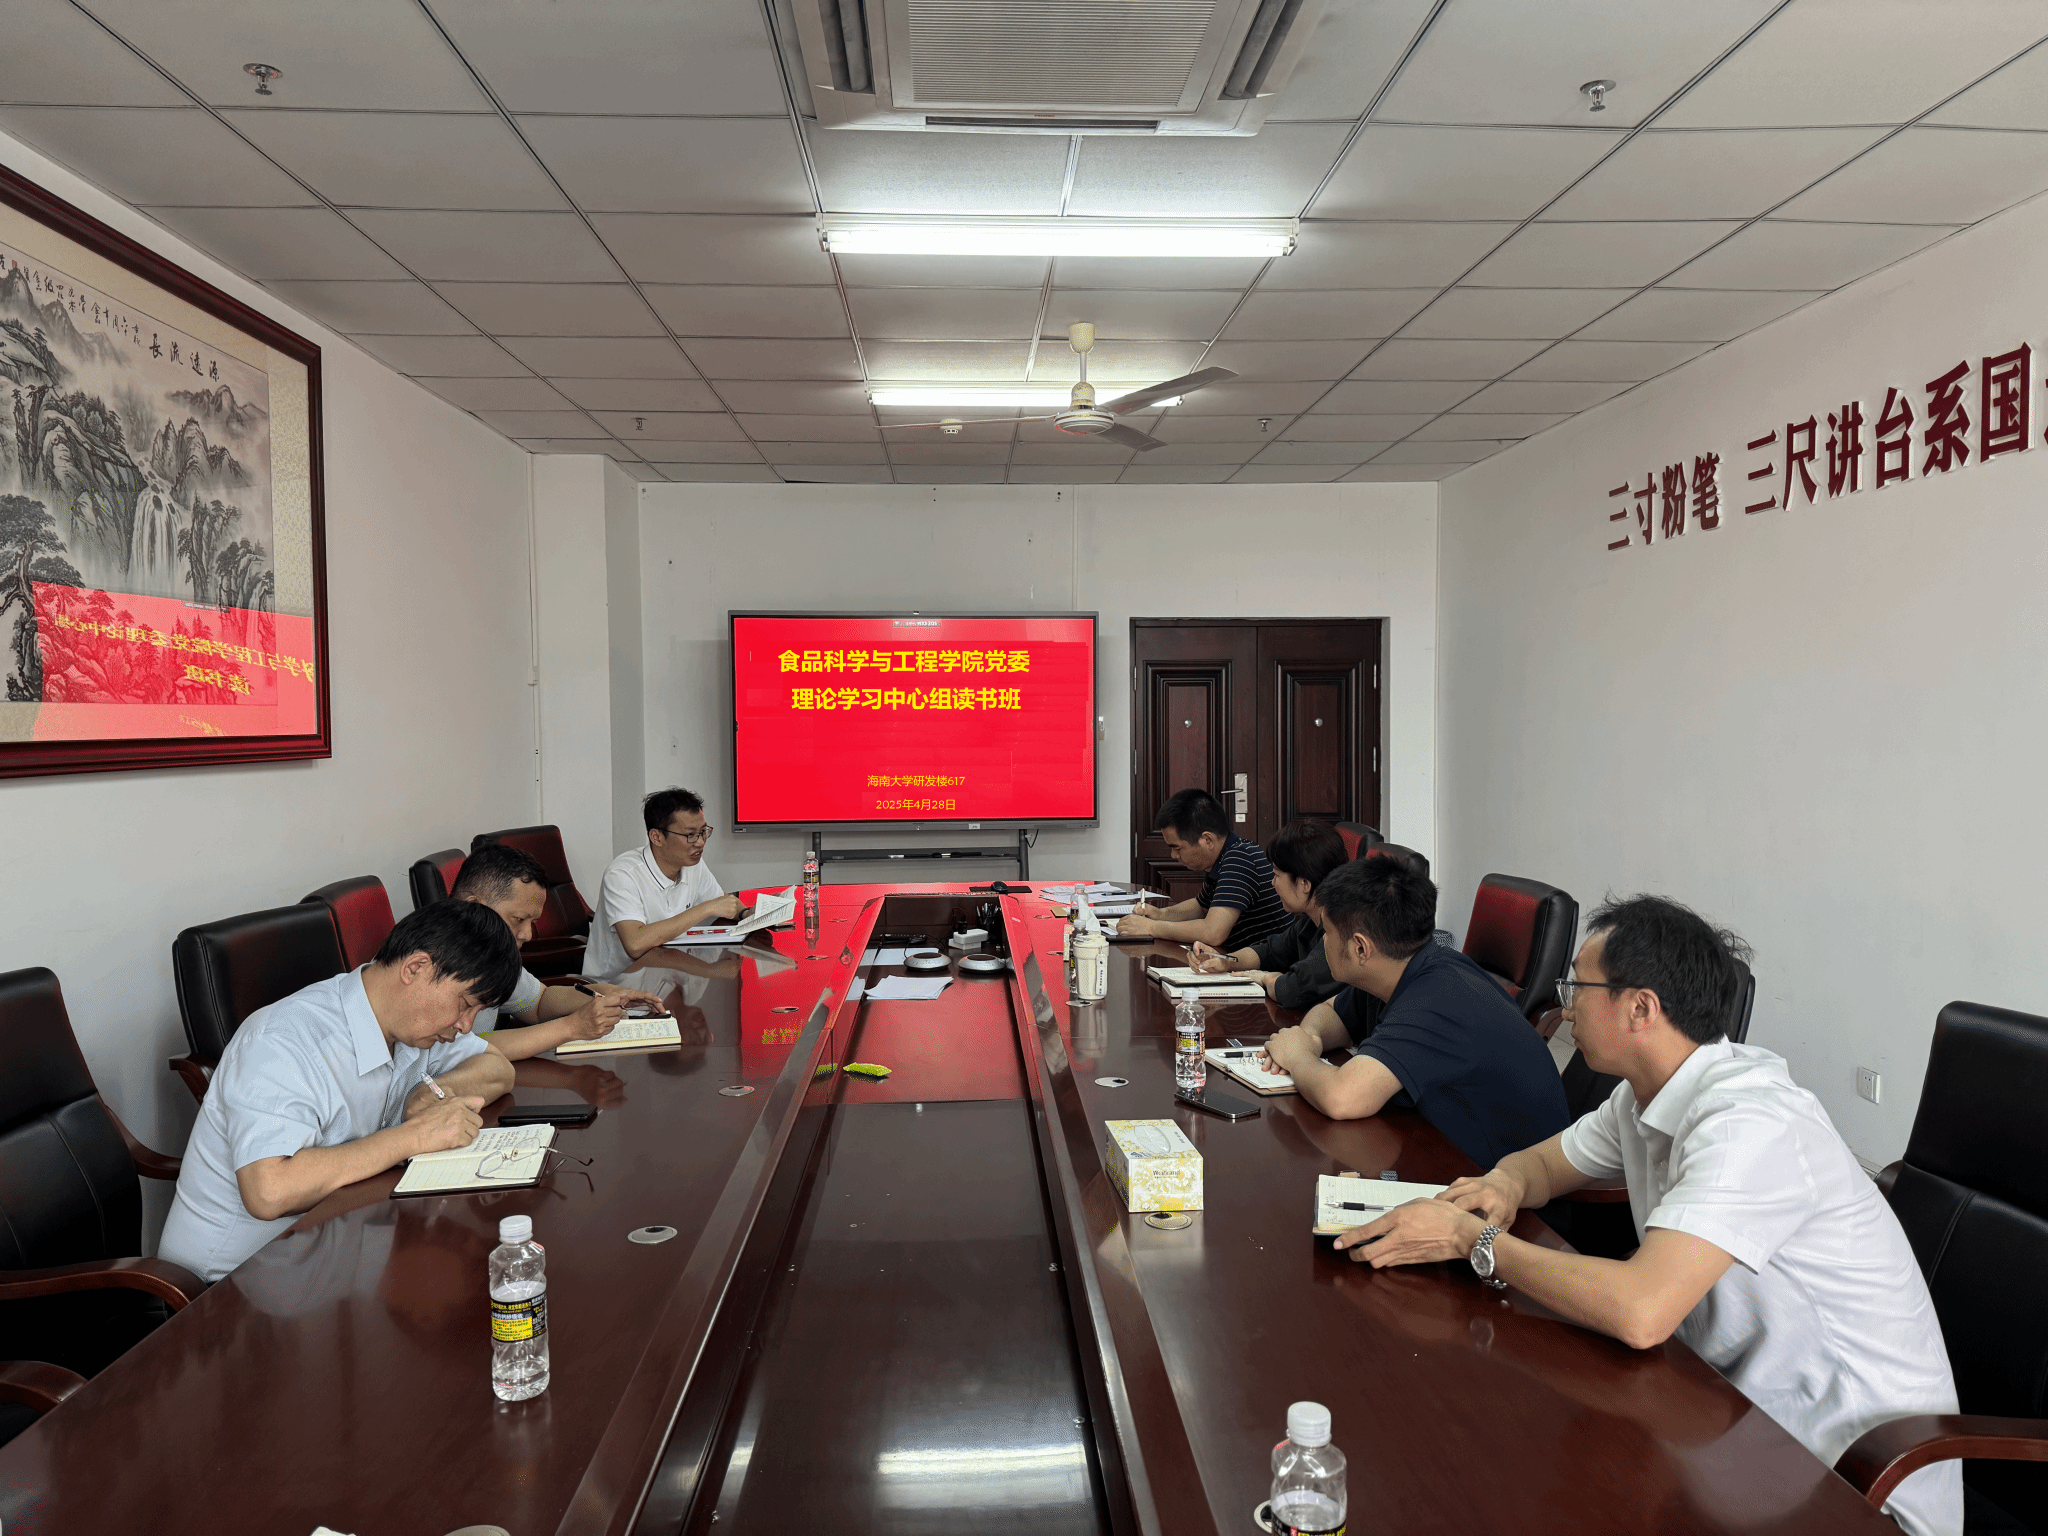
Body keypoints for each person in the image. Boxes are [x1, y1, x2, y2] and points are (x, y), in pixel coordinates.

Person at [1336, 896, 1959, 1536]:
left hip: (1852, 1482)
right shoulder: (1644, 1097)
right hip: (1729, 1415)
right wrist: (1503, 1184)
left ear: (1641, 1008)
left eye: (1578, 987)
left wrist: (1476, 1239)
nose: (1565, 1007)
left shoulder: (1751, 1125)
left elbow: (1641, 1312)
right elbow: (1544, 1165)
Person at [158, 900, 520, 1284]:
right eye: (465, 1004)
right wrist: (414, 1136)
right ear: (416, 968)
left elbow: (497, 1067)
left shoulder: (414, 1025)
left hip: (333, 1242)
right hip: (233, 1280)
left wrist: (432, 1094)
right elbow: (268, 1192)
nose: (466, 1026)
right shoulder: (282, 1041)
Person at [1260, 853, 1567, 1169]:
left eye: (1327, 931)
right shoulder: (1398, 967)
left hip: (1506, 1183)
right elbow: (1333, 1012)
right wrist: (1309, 1037)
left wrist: (1297, 1057)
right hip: (1438, 1145)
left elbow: (1343, 1098)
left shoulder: (1438, 999)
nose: (1323, 941)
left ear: (1361, 948)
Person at [452, 842, 667, 1061]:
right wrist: (572, 1027)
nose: (527, 935)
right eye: (518, 919)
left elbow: (538, 1003)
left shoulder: (492, 956)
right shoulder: (439, 965)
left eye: (532, 922)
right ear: (474, 907)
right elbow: (459, 1051)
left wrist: (611, 994)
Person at [1187, 817, 1350, 1008]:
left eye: (1277, 875)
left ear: (1304, 884)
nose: (1273, 883)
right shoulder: (1310, 918)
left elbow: (1291, 990)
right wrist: (1225, 961)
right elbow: (1270, 951)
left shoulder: (1341, 929)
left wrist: (1265, 978)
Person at [582, 787, 744, 976]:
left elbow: (725, 904)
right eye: (690, 835)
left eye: (703, 832)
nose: (700, 842)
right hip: (617, 983)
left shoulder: (693, 864)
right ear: (657, 837)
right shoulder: (622, 874)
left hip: (668, 971)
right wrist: (706, 909)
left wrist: (749, 913)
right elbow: (635, 944)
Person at [1116, 788, 1291, 952]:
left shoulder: (1240, 858)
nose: (1173, 855)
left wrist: (1152, 928)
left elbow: (1213, 933)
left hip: (1268, 969)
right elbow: (1201, 907)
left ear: (1207, 840)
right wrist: (1161, 914)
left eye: (1177, 848)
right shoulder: (1227, 855)